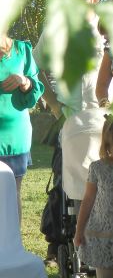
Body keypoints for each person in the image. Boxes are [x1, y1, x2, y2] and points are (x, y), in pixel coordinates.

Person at [34, 0, 107, 204]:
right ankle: (75, 239)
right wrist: (54, 105)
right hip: (71, 120)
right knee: (75, 197)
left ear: (95, 0)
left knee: (108, 194)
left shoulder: (110, 30)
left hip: (107, 124)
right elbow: (34, 67)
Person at [73, 120, 113, 278]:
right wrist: (79, 230)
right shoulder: (98, 168)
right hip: (102, 237)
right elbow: (88, 199)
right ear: (107, 147)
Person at [0, 33, 44, 221]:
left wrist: (24, 81)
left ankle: (12, 246)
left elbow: (35, 92)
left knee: (11, 194)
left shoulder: (22, 50)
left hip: (14, 137)